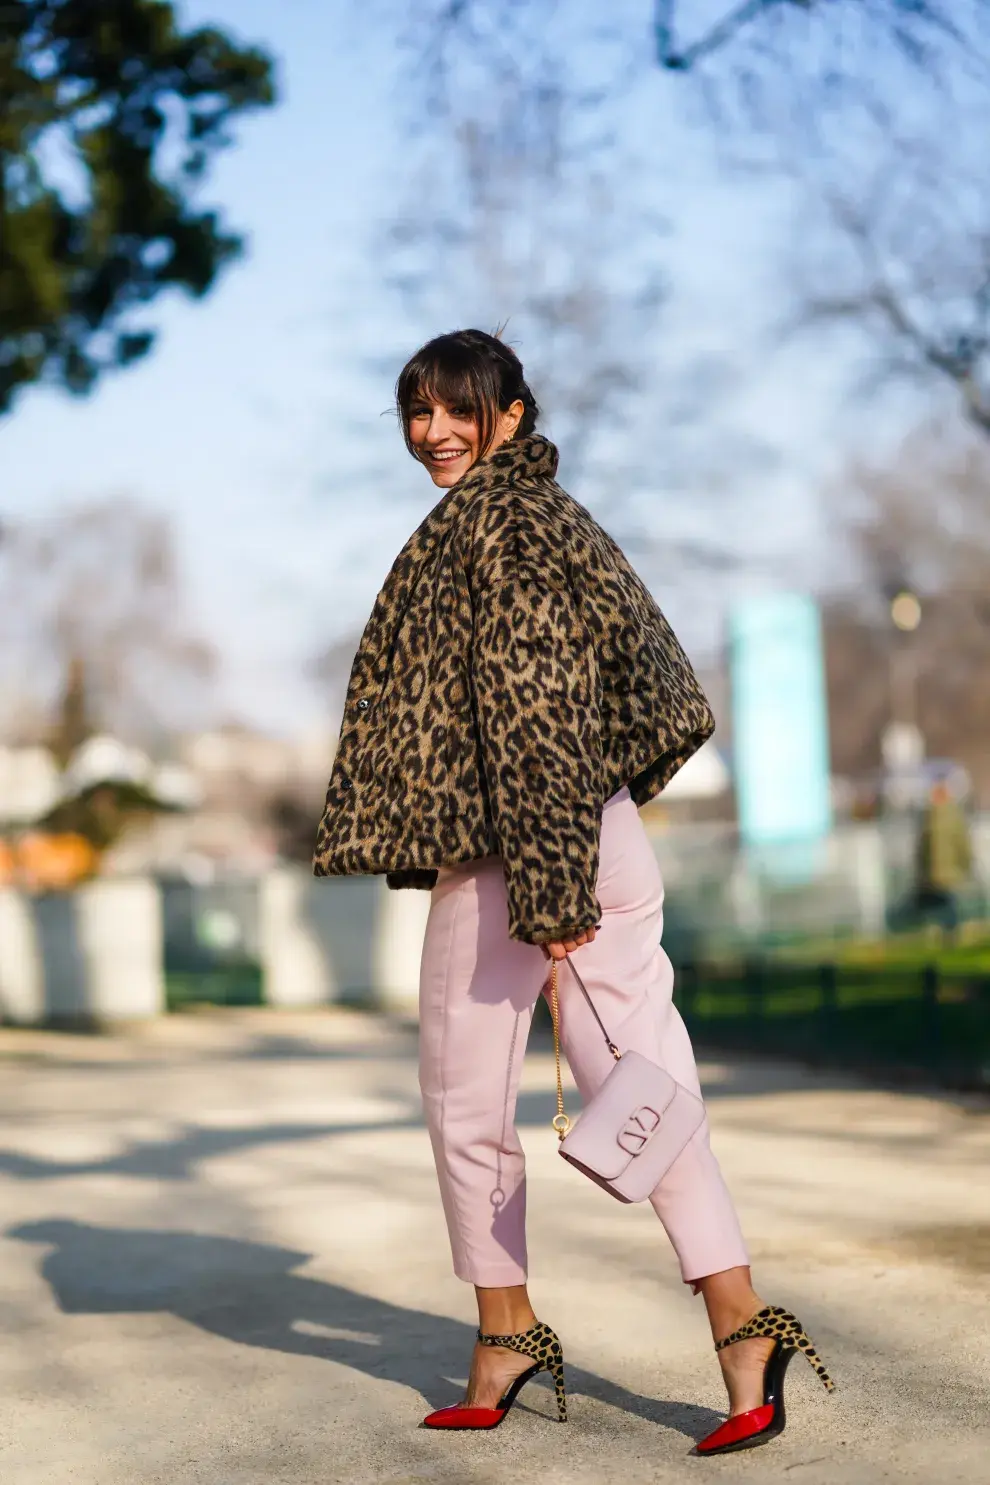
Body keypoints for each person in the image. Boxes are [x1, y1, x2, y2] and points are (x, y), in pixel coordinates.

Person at [314, 329, 834, 1455]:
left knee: (475, 1098)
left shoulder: (499, 526)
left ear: (509, 415)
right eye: (416, 411)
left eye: (459, 409)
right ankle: (729, 1329)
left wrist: (551, 894)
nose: (433, 431)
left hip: (531, 854)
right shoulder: (536, 516)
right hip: (582, 837)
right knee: (641, 1082)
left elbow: (536, 712)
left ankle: (543, 1329)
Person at [915, 779, 973, 936]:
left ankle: (948, 931)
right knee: (944, 901)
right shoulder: (938, 816)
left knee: (945, 901)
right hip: (939, 871)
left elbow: (960, 843)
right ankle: (948, 931)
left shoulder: (932, 817)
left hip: (941, 870)